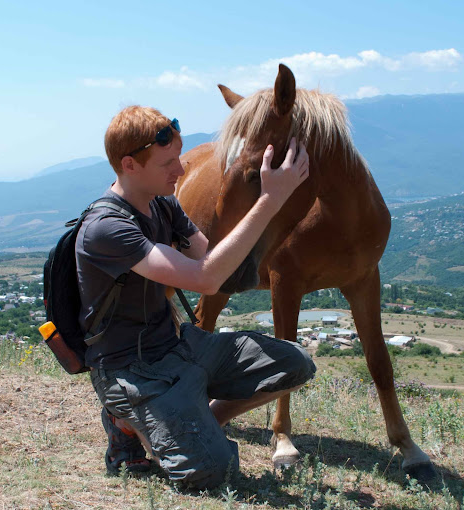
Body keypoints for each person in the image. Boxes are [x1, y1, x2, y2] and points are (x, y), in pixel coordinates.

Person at [75, 105, 316, 489]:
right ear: (129, 165)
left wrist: (270, 197)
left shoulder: (163, 205)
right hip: (130, 370)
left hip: (178, 349)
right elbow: (205, 279)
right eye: (168, 162)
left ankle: (195, 422)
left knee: (295, 363)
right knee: (210, 473)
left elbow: (223, 268)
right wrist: (269, 200)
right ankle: (125, 422)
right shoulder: (106, 228)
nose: (182, 170)